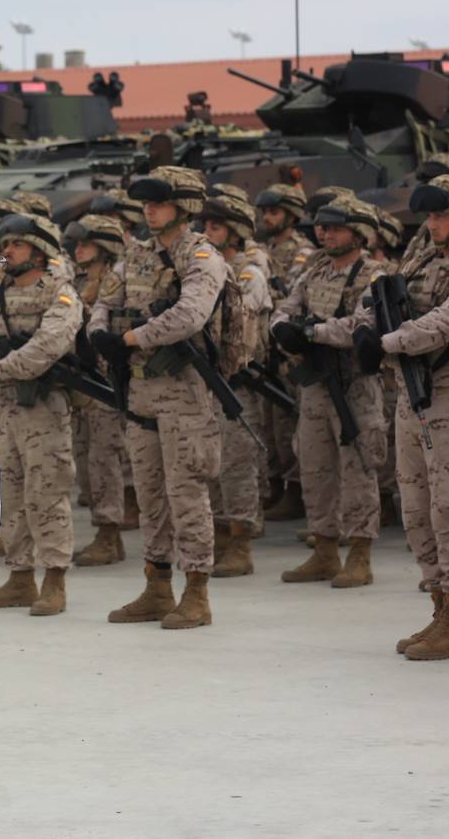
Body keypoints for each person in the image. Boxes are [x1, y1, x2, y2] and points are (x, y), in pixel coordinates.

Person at [352, 173, 449, 660]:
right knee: (416, 509)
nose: (432, 224)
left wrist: (385, 343)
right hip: (412, 397)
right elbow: (375, 297)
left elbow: (445, 323)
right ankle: (439, 606)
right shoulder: (422, 259)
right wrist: (363, 327)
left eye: (441, 216)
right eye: (431, 216)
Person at [89, 166, 228, 628]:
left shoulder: (202, 255)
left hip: (185, 392)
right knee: (150, 493)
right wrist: (100, 332)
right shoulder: (136, 256)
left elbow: (190, 315)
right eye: (146, 203)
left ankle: (197, 592)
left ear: (183, 206)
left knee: (186, 492)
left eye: (158, 202)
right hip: (142, 391)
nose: (149, 209)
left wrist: (129, 339)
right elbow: (105, 302)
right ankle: (156, 585)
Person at [0, 213, 81, 615]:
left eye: (16, 245)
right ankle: (20, 575)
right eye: (5, 245)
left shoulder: (59, 292)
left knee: (47, 493)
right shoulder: (0, 295)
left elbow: (48, 345)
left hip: (42, 408)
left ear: (39, 249)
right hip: (3, 408)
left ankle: (55, 579)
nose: (6, 251)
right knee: (8, 494)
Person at [271, 200, 388, 588]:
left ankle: (359, 554)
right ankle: (324, 549)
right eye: (322, 228)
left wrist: (310, 332)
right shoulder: (314, 271)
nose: (326, 234)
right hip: (317, 385)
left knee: (358, 470)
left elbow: (361, 326)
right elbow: (283, 312)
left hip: (354, 385)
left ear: (359, 233)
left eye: (335, 228)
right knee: (315, 468)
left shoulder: (373, 275)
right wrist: (287, 330)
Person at [198, 189, 271, 578]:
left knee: (238, 465)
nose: (207, 233)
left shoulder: (248, 273)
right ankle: (223, 535)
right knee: (215, 465)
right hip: (211, 382)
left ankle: (241, 542)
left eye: (216, 226)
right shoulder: (213, 267)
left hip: (237, 383)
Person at [66, 214, 135, 566]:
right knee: (84, 457)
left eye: (85, 243)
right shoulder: (77, 281)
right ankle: (102, 527)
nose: (78, 249)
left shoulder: (115, 281)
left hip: (106, 382)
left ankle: (110, 533)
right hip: (82, 384)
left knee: (104, 458)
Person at [253, 181, 312, 521]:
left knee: (289, 423)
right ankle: (275, 482)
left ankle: (296, 490)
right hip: (265, 350)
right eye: (264, 212)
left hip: (286, 350)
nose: (267, 218)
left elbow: (288, 295)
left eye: (273, 212)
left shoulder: (301, 252)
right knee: (269, 424)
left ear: (290, 216)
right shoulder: (262, 250)